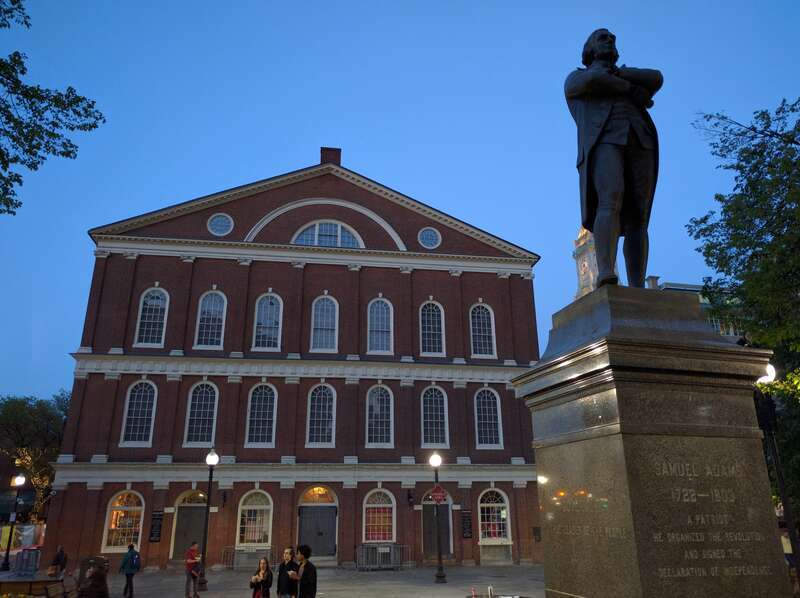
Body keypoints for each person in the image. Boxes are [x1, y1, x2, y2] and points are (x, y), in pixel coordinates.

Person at [565, 28, 663, 288]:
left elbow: (656, 77)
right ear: (589, 49)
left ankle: (637, 285)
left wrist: (620, 75)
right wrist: (630, 88)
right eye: (602, 38)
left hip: (640, 140)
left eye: (612, 38)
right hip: (605, 140)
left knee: (639, 215)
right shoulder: (577, 77)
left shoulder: (622, 72)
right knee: (610, 199)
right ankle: (606, 271)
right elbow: (593, 79)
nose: (609, 40)